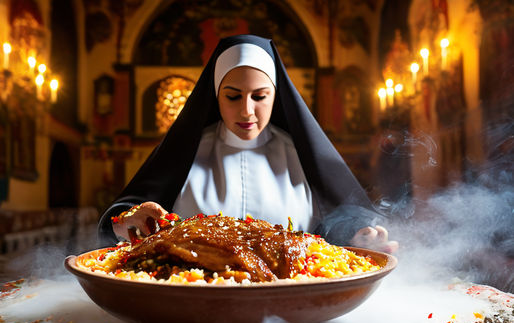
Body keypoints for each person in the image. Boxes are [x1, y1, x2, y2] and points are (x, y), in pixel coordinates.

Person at [97, 34, 398, 253]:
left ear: (275, 95)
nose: (246, 111)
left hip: (293, 309)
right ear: (216, 97)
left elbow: (335, 225)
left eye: (259, 96)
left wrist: (358, 236)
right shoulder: (187, 154)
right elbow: (125, 216)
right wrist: (129, 220)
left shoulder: (299, 155)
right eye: (232, 96)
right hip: (193, 305)